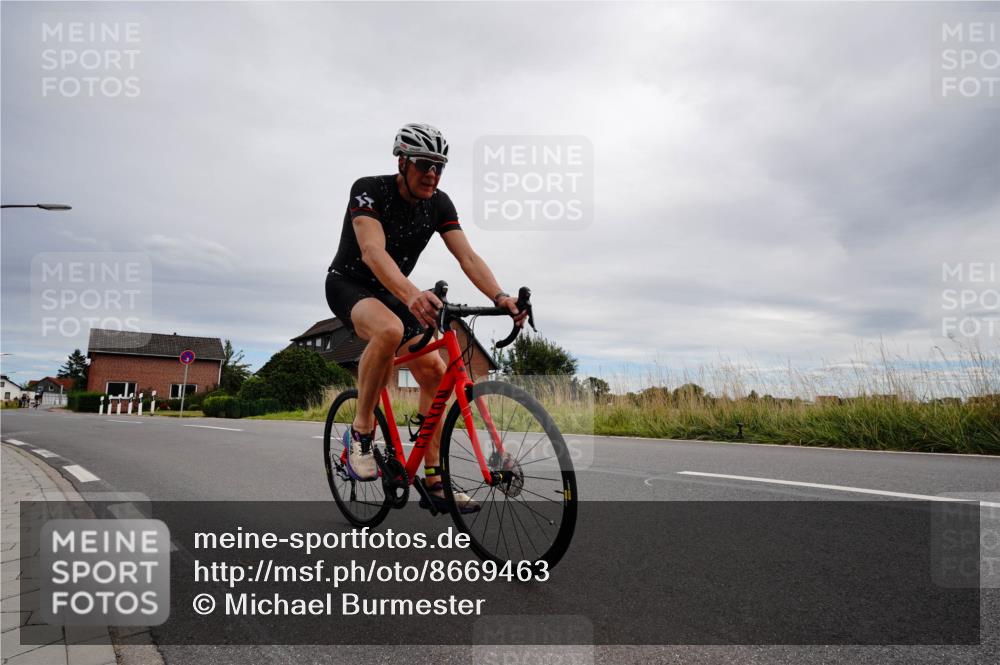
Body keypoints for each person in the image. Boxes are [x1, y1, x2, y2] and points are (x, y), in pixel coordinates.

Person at [325, 123, 526, 514]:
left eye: (439, 166)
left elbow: (467, 257)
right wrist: (413, 294)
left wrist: (500, 296)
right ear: (402, 161)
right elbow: (370, 250)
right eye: (423, 164)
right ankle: (362, 433)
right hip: (349, 283)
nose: (431, 173)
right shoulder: (369, 188)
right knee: (389, 328)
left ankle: (434, 479)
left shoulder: (439, 203)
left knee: (435, 373)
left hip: (393, 289)